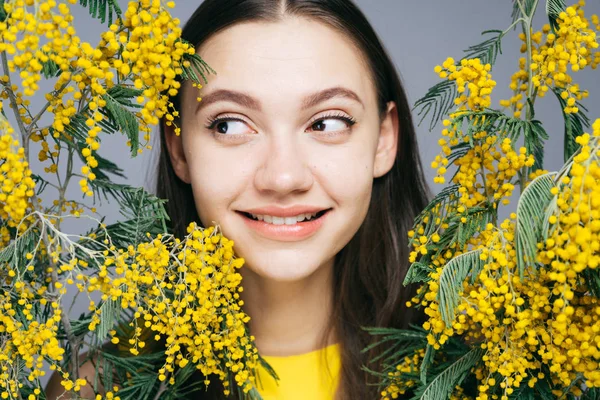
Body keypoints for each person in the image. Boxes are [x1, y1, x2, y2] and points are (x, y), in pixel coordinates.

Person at [46, 0, 430, 398]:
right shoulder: (92, 389)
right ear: (178, 149)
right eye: (229, 125)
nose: (283, 177)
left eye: (327, 122)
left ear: (384, 140)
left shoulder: (467, 370)